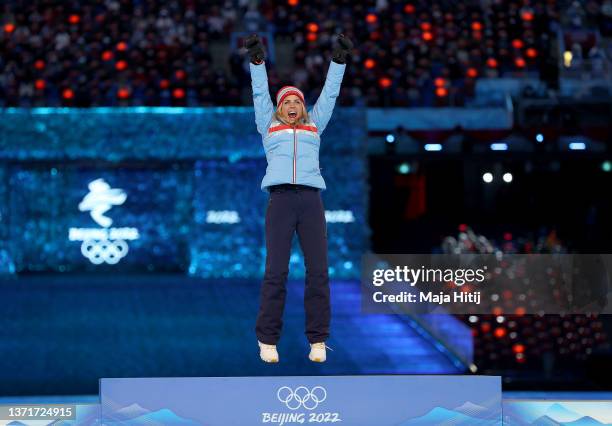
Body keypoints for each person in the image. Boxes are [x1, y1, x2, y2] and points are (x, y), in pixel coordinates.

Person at [244, 33, 353, 363]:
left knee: (318, 271)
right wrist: (257, 62)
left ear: (303, 108)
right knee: (275, 272)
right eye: (286, 103)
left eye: (297, 102)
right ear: (279, 109)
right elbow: (260, 93)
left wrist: (338, 62)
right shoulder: (268, 126)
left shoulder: (315, 126)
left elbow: (330, 94)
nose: (292, 106)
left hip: (310, 202)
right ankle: (267, 339)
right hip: (280, 202)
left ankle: (318, 340)